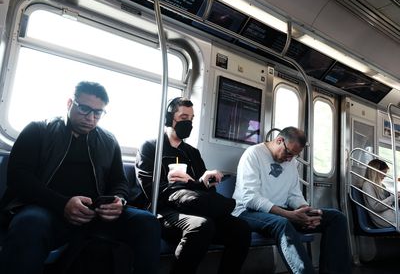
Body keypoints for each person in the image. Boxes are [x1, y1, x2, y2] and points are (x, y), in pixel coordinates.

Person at [0, 81, 160, 274]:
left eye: (98, 113)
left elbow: (119, 181)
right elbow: (19, 177)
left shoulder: (109, 141)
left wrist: (119, 201)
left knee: (147, 222)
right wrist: (63, 204)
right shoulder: (38, 130)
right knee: (29, 223)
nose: (91, 118)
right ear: (70, 103)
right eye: (84, 109)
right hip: (47, 208)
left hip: (95, 213)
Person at [135, 97, 251, 274]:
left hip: (194, 206)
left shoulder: (192, 153)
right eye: (183, 118)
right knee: (201, 226)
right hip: (163, 210)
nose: (188, 123)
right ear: (169, 119)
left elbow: (206, 193)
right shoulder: (151, 148)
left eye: (191, 119)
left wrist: (204, 182)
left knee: (241, 229)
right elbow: (152, 190)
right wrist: (191, 184)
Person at [232, 126, 351, 274]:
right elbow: (250, 198)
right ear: (279, 140)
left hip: (278, 212)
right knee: (282, 223)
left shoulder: (291, 162)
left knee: (336, 218)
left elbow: (293, 194)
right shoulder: (253, 154)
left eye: (293, 156)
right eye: (288, 153)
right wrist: (288, 214)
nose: (289, 159)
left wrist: (306, 211)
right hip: (246, 212)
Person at [362, 159, 397, 228]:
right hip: (384, 219)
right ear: (375, 172)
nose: (385, 175)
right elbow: (376, 207)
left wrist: (396, 198)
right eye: (384, 172)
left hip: (391, 215)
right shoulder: (367, 185)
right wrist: (393, 197)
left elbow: (388, 201)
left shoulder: (381, 186)